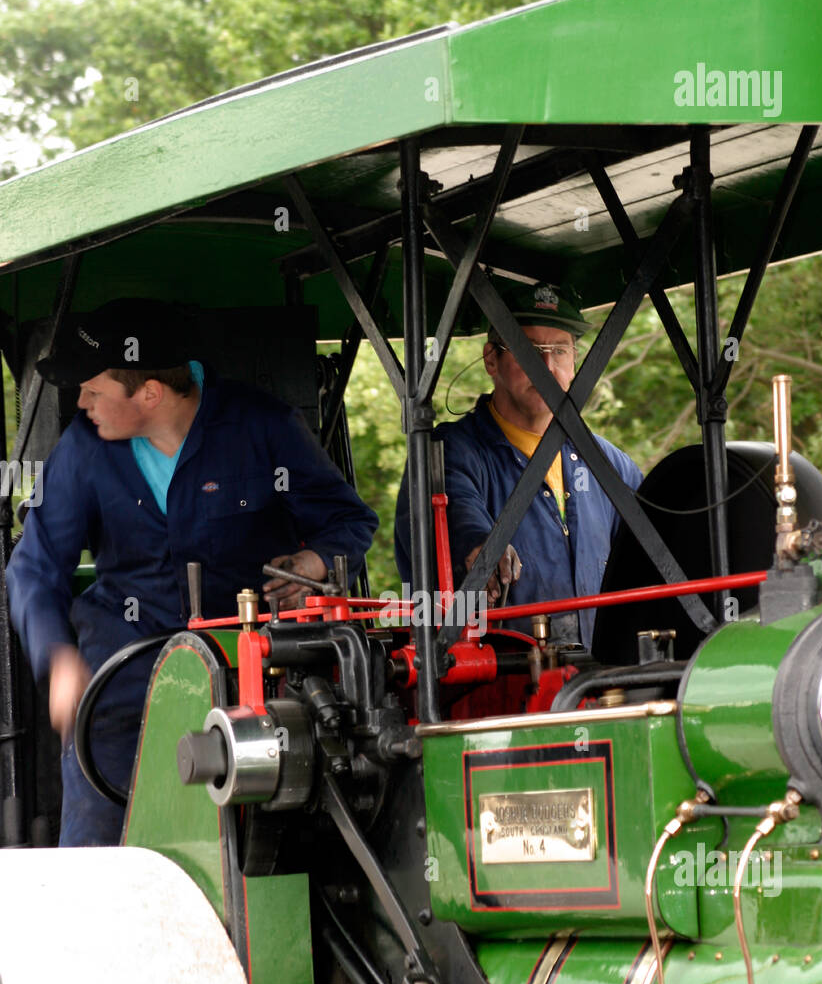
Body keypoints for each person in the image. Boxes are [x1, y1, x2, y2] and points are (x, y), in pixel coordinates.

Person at [8, 298, 378, 847]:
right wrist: (58, 658)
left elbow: (349, 519)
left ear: (150, 394)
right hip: (117, 687)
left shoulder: (264, 427)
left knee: (253, 855)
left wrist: (314, 560)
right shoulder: (84, 448)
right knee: (99, 860)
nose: (80, 402)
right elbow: (34, 568)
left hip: (248, 686)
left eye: (93, 389)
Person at [394, 281, 642, 647]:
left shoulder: (612, 466)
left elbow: (652, 560)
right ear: (491, 359)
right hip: (497, 689)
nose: (546, 365)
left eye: (559, 350)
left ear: (575, 361)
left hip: (599, 685)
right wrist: (481, 550)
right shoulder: (449, 452)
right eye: (528, 349)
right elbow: (455, 515)